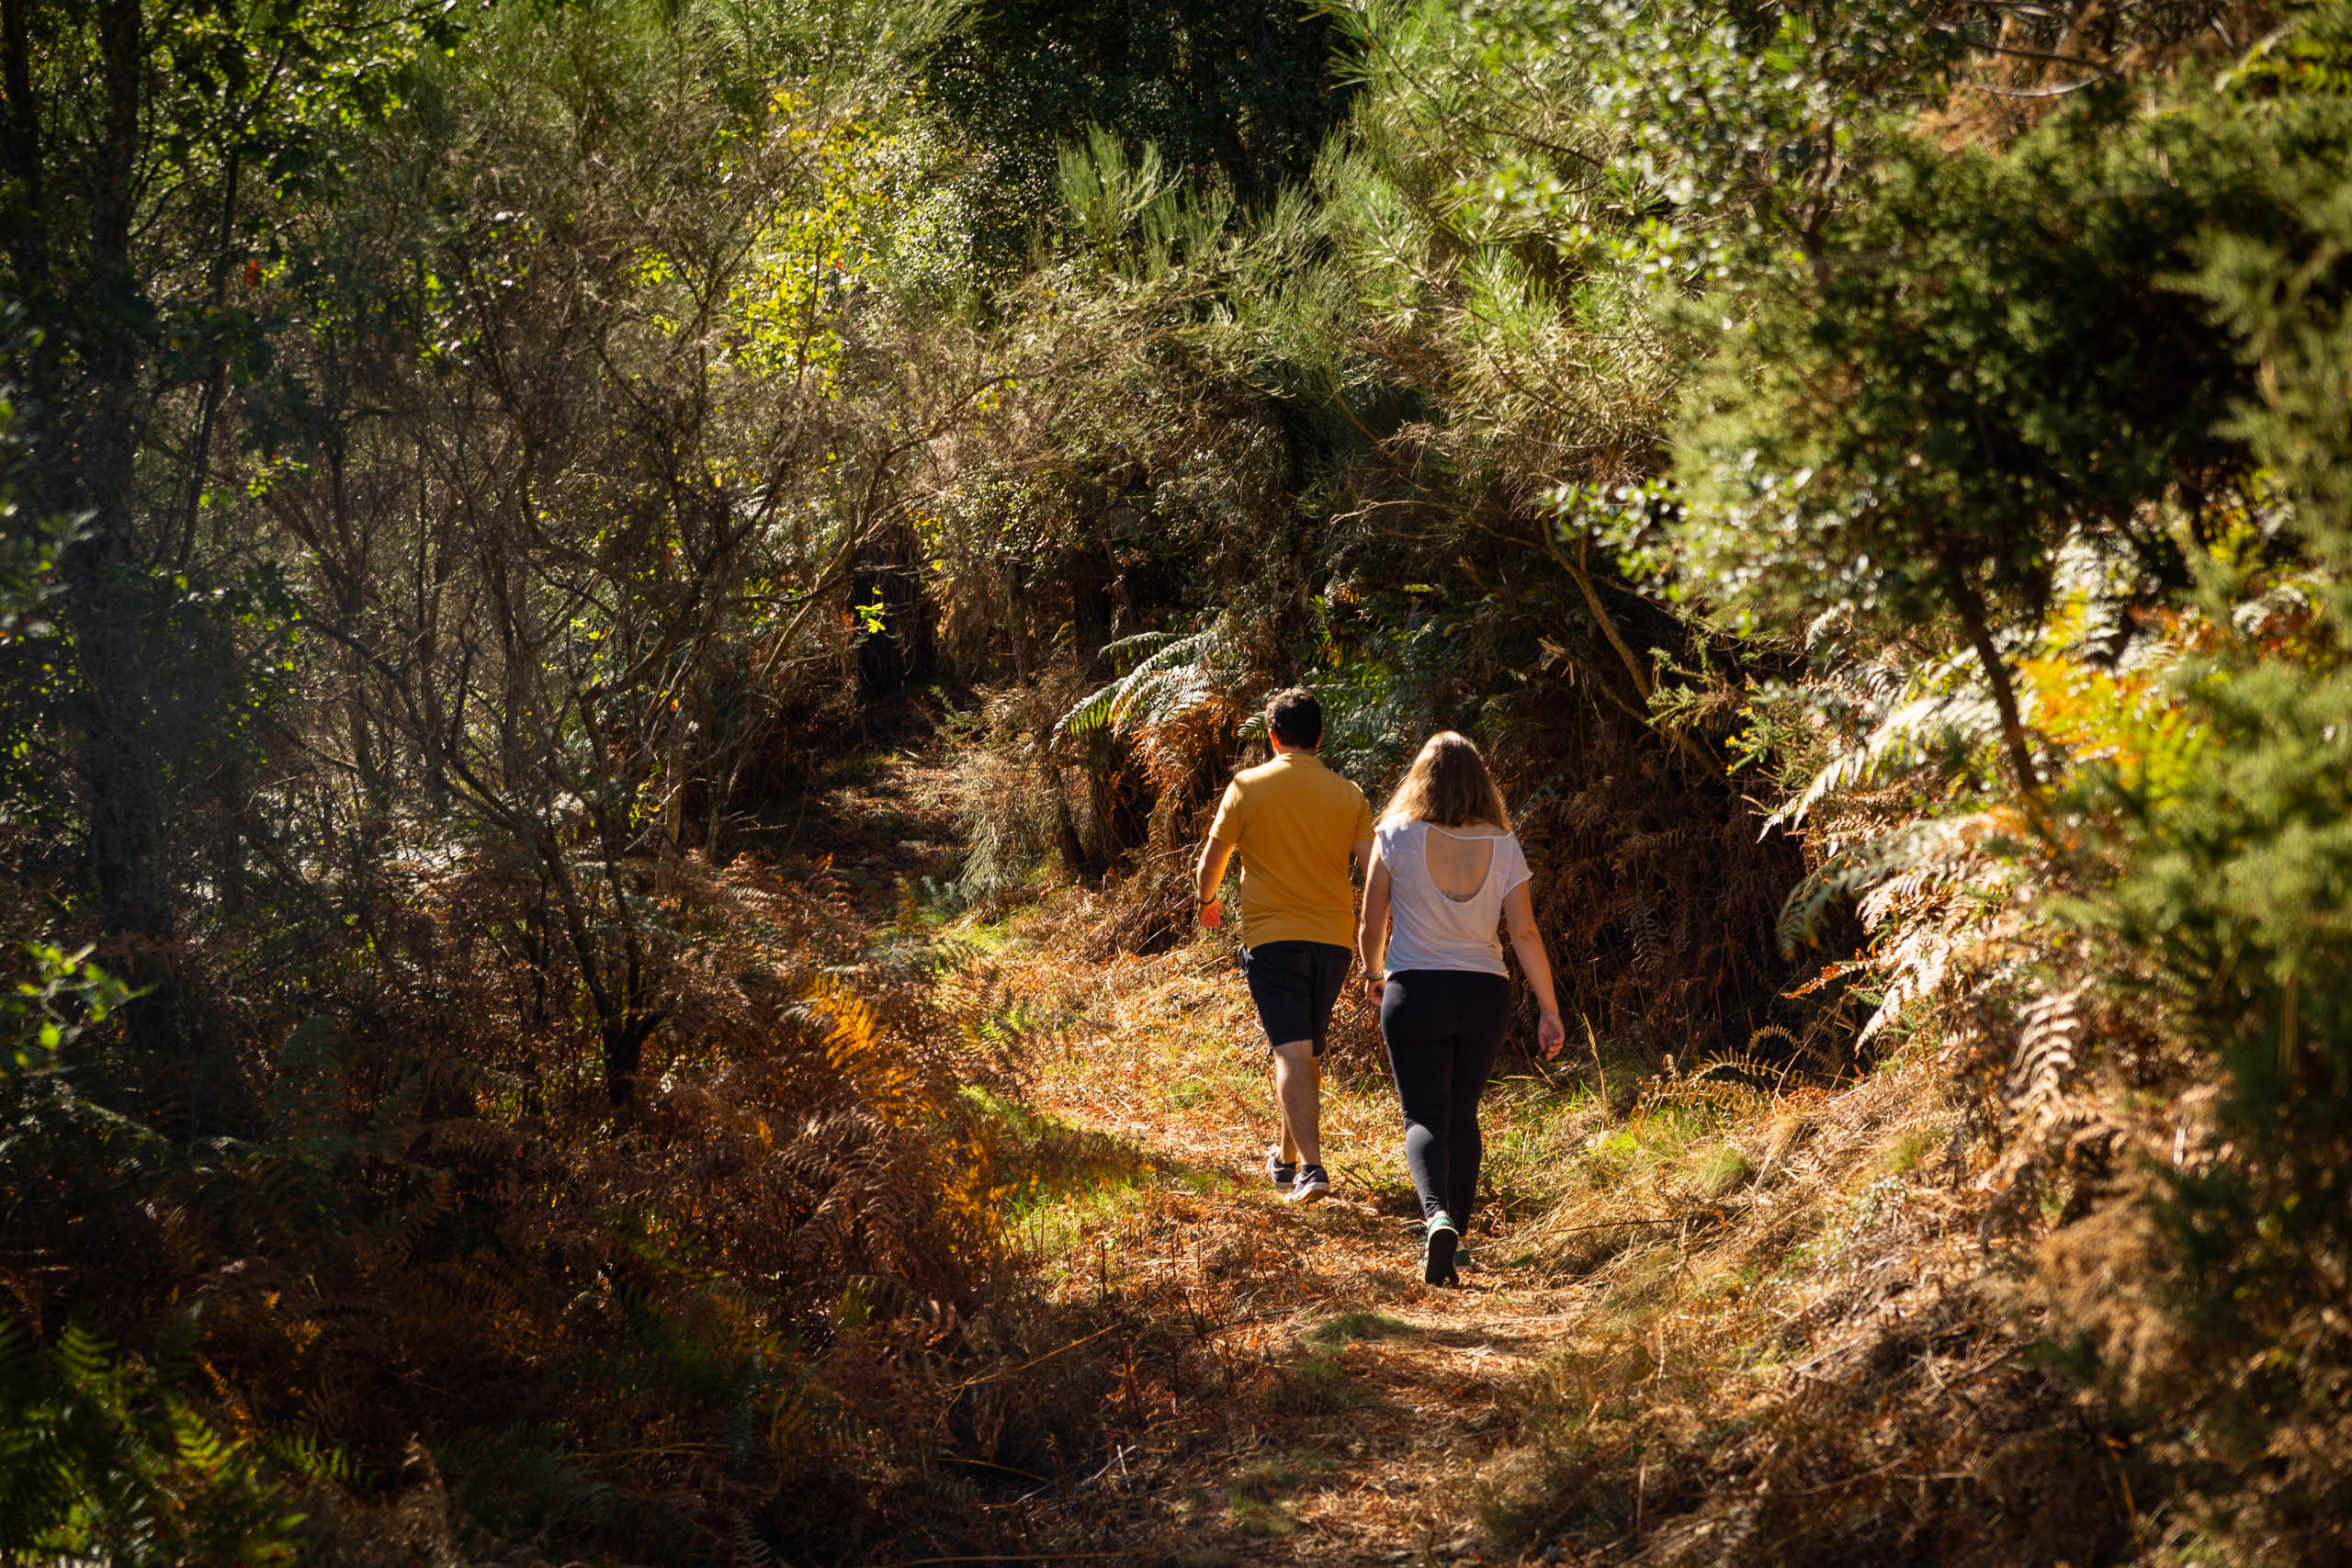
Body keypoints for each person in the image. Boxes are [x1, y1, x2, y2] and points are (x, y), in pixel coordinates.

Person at [1357, 731, 1565, 1285]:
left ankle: (1437, 1218)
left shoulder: (1395, 834)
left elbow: (1370, 924)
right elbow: (1523, 931)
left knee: (1424, 1116)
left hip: (1415, 991)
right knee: (1463, 1115)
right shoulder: (1503, 844)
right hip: (1483, 995)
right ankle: (1458, 1242)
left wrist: (1376, 974)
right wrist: (1549, 1006)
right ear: (1481, 783)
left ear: (1420, 780)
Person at [1194, 688, 1374, 1205]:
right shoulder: (1350, 795)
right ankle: (1286, 1157)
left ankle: (1312, 1169)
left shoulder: (1247, 786)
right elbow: (1375, 870)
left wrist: (1207, 900)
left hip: (1273, 938)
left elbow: (1212, 861)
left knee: (1292, 1050)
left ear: (1272, 737)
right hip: (1335, 941)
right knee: (1306, 1049)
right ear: (1319, 738)